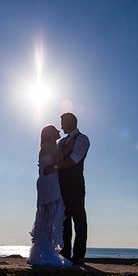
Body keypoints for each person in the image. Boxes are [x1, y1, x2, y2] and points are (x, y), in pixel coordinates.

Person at [43, 112, 90, 264]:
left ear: (71, 122)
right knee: (64, 219)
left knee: (79, 218)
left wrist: (55, 167)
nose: (61, 126)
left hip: (75, 184)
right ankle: (65, 252)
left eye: (63, 122)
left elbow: (74, 159)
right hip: (60, 185)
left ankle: (79, 255)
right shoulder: (62, 141)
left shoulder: (82, 139)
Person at [28, 125, 71, 266]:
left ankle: (41, 250)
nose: (59, 131)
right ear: (51, 134)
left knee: (44, 216)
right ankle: (47, 251)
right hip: (50, 182)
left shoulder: (44, 147)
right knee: (53, 213)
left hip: (43, 182)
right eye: (56, 130)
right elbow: (60, 158)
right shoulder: (51, 146)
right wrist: (68, 148)